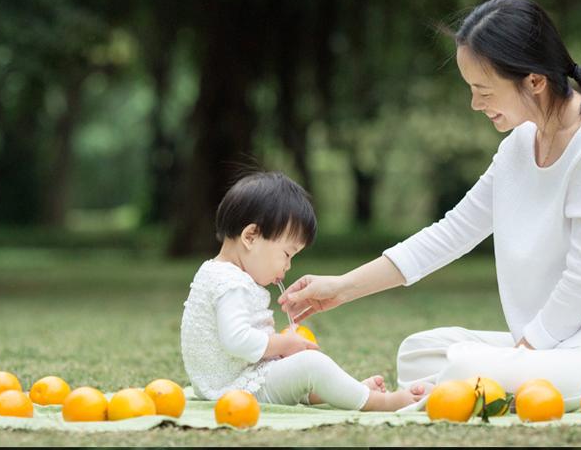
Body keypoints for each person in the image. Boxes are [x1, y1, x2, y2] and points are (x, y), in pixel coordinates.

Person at [279, 0, 581, 411]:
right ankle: (472, 380)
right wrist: (341, 288)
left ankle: (467, 382)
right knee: (418, 351)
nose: (474, 104)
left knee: (464, 366)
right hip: (557, 349)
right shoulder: (520, 145)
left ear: (535, 81)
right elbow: (449, 234)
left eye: (483, 90)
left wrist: (518, 355)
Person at [180, 171, 427, 411]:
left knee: (303, 366)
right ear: (251, 236)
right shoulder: (230, 283)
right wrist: (283, 344)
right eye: (287, 254)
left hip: (233, 382)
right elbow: (237, 340)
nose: (288, 266)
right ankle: (380, 402)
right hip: (237, 391)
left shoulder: (216, 273)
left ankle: (346, 390)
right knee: (311, 364)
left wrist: (281, 350)